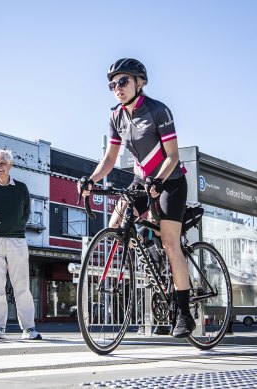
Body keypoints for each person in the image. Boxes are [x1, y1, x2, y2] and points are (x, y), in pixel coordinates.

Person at [79, 58, 194, 338]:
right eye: (112, 84)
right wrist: (91, 180)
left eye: (123, 81)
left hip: (171, 181)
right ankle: (148, 258)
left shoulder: (158, 110)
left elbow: (173, 156)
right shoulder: (115, 116)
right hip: (142, 181)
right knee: (117, 225)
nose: (116, 87)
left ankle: (184, 313)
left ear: (139, 82)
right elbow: (109, 159)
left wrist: (159, 180)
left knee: (169, 242)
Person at [0, 149, 42, 340]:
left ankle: (29, 328)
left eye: (2, 164)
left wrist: (14, 229)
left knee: (21, 286)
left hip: (17, 240)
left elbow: (25, 213)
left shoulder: (21, 188)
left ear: (10, 166)